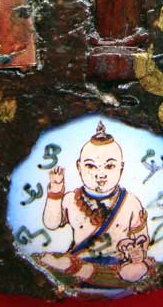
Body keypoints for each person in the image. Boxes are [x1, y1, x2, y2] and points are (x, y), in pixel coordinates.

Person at [39, 121, 152, 283]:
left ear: (121, 167)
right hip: (80, 258)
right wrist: (55, 193)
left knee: (137, 270)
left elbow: (142, 238)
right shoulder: (71, 199)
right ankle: (78, 269)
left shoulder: (130, 202)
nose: (101, 174)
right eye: (91, 166)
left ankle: (82, 271)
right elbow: (51, 224)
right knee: (65, 262)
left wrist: (137, 252)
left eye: (109, 166)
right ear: (79, 167)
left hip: (118, 263)